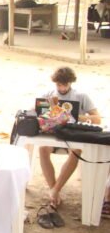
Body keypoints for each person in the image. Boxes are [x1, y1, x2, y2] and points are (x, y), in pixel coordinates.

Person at [39, 67, 101, 209]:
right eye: (58, 84)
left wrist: (75, 116)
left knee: (76, 152)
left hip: (72, 135)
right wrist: (50, 109)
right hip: (54, 134)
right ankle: (53, 189)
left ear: (70, 83)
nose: (61, 88)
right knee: (43, 149)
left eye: (65, 84)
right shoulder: (48, 95)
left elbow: (97, 119)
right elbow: (35, 112)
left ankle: (56, 189)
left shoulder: (81, 96)